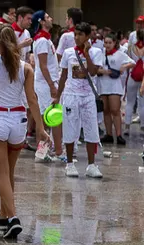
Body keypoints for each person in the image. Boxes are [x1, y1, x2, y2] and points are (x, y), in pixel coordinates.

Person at [0, 26, 49, 239]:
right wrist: (42, 129)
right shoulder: (26, 67)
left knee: (1, 174)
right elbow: (32, 99)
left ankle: (13, 217)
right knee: (9, 172)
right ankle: (3, 216)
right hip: (18, 120)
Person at [53, 22, 104, 178]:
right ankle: (69, 163)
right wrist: (57, 95)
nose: (76, 37)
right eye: (75, 34)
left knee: (91, 130)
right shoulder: (68, 53)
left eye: (80, 35)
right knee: (70, 128)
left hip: (88, 96)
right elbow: (63, 76)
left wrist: (86, 53)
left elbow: (94, 72)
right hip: (70, 95)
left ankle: (91, 165)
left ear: (87, 36)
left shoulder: (96, 52)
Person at [31, 11, 64, 162]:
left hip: (47, 82)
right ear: (42, 22)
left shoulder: (45, 39)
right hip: (45, 83)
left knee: (47, 118)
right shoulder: (42, 40)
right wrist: (52, 85)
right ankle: (54, 152)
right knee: (52, 117)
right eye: (48, 17)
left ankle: (43, 152)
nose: (51, 19)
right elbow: (43, 66)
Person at [98, 33, 133, 145]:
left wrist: (124, 66)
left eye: (110, 43)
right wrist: (102, 71)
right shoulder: (100, 54)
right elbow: (94, 68)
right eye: (106, 42)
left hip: (114, 85)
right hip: (103, 85)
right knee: (106, 110)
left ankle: (118, 135)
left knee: (115, 110)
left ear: (114, 43)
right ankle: (108, 134)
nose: (107, 45)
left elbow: (132, 62)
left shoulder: (119, 54)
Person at [125, 29, 144, 134]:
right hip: (143, 77)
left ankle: (127, 126)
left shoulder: (131, 47)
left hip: (132, 75)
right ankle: (142, 127)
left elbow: (128, 58)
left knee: (130, 102)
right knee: (143, 103)